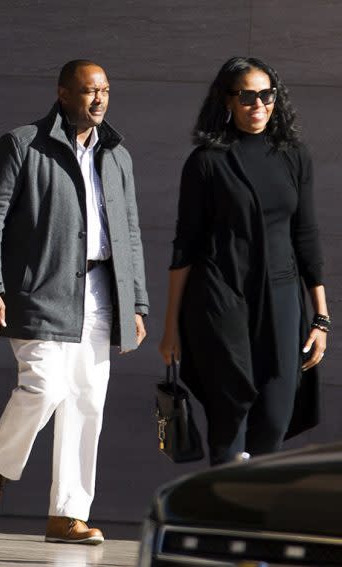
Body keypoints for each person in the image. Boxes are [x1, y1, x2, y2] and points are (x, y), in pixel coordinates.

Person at [0, 60, 148, 544]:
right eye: (89, 91)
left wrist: (137, 303)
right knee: (44, 388)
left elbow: (128, 232)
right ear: (64, 93)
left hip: (99, 294)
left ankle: (67, 514)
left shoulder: (117, 154)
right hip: (39, 291)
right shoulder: (23, 144)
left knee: (87, 402)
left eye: (106, 90)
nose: (99, 99)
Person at [158, 56, 328, 466]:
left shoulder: (294, 156)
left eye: (266, 95)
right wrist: (171, 327)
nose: (258, 105)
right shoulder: (206, 161)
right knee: (229, 410)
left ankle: (253, 511)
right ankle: (224, 516)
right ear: (228, 101)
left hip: (283, 297)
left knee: (275, 412)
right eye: (247, 96)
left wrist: (321, 317)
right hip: (221, 296)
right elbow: (186, 246)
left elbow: (305, 235)